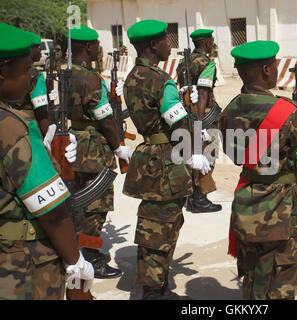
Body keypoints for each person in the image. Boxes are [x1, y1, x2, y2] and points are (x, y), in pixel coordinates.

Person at [218, 40, 297, 300]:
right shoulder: (288, 112)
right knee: (281, 281)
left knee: (254, 275)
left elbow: (234, 155)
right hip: (282, 208)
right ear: (266, 70)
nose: (276, 69)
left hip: (247, 202)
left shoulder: (229, 110)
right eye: (274, 65)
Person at [0, 22, 93, 300]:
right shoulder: (12, 128)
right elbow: (50, 209)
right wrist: (75, 260)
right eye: (26, 69)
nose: (31, 77)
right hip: (21, 265)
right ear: (3, 70)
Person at [122, 19, 210, 300]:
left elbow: (154, 114)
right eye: (164, 41)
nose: (169, 45)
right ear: (152, 45)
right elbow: (177, 126)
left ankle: (156, 281)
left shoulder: (134, 76)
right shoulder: (161, 81)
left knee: (154, 222)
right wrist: (194, 153)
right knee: (163, 225)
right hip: (166, 162)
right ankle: (154, 290)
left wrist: (182, 98)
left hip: (148, 156)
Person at [68, 25, 131, 279]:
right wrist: (118, 146)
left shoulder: (68, 74)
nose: (97, 49)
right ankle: (92, 256)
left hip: (77, 143)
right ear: (88, 47)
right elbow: (105, 119)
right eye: (95, 45)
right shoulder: (89, 77)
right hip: (94, 147)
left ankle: (82, 248)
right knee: (95, 208)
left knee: (80, 203)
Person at [176, 29, 222, 213]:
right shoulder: (207, 64)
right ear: (207, 42)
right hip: (203, 115)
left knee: (193, 154)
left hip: (187, 112)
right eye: (211, 40)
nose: (212, 43)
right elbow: (203, 93)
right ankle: (200, 198)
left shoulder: (183, 63)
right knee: (207, 154)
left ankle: (192, 194)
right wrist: (200, 123)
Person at [10, 31, 57, 138]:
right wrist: (50, 139)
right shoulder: (35, 75)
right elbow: (41, 113)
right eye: (38, 47)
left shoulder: (10, 71)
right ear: (29, 49)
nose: (40, 51)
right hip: (29, 130)